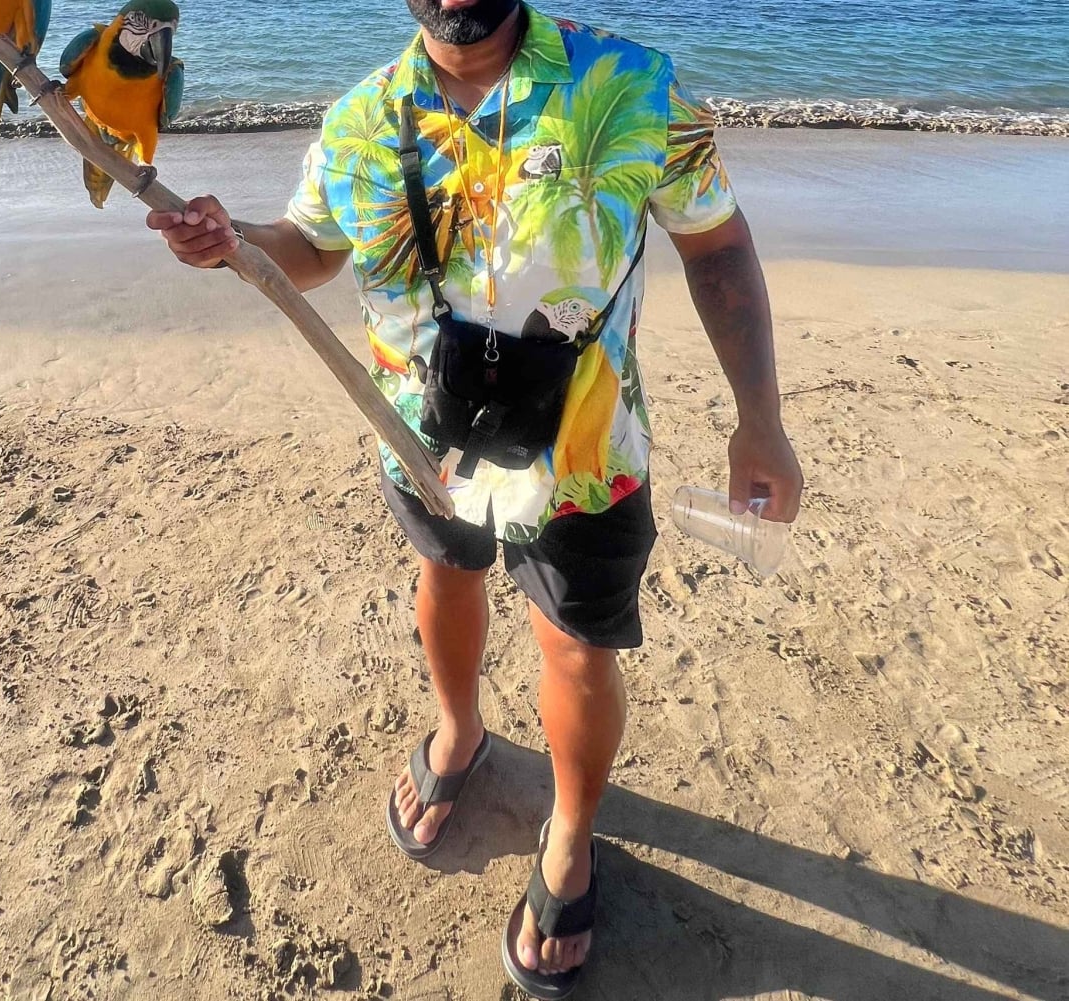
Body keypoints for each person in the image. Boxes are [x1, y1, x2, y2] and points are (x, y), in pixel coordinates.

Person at [148, 0, 802, 994]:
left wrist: (760, 417)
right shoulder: (362, 117)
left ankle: (573, 834)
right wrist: (229, 238)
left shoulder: (633, 87)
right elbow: (313, 247)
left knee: (576, 646)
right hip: (420, 435)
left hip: (585, 448)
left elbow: (716, 245)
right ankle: (460, 730)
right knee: (445, 574)